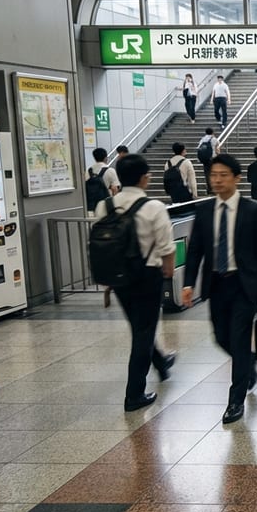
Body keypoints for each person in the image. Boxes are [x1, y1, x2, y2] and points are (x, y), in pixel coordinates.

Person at [181, 153, 257, 424]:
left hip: (244, 285)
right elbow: (196, 250)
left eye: (223, 175)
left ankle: (235, 401)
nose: (217, 180)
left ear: (236, 178)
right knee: (221, 337)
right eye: (213, 175)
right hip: (216, 284)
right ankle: (248, 364)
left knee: (239, 337)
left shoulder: (252, 210)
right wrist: (188, 283)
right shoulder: (204, 211)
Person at [95, 154, 177, 411]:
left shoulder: (104, 206)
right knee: (144, 331)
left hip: (118, 278)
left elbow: (104, 246)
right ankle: (134, 394)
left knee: (139, 325)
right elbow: (166, 247)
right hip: (147, 276)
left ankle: (161, 362)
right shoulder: (153, 207)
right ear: (144, 178)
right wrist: (169, 274)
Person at [86, 147, 120, 214]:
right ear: (105, 158)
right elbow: (116, 189)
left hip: (91, 205)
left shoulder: (88, 171)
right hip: (106, 205)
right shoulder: (110, 170)